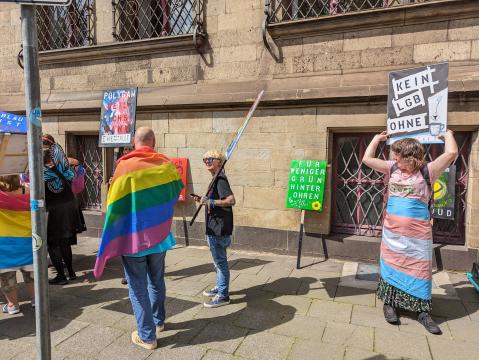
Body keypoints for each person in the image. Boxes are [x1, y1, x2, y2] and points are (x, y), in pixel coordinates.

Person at [93, 127, 183, 350]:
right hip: (160, 236)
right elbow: (176, 191)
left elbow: (114, 202)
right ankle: (158, 322)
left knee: (137, 286)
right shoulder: (167, 165)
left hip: (134, 239)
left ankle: (147, 336)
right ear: (153, 141)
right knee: (157, 280)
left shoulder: (126, 166)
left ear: (135, 142)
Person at [362, 130, 458, 334]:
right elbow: (367, 159)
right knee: (390, 267)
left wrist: (448, 135)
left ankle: (422, 312)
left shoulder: (428, 171)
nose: (394, 157)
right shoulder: (392, 168)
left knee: (420, 271)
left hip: (418, 236)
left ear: (410, 157)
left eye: (398, 154)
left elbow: (451, 153)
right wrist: (377, 139)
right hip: (392, 234)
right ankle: (390, 304)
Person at [193, 150, 236, 308]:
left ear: (219, 161)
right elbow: (214, 200)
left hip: (219, 228)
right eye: (204, 159)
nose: (207, 161)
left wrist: (210, 202)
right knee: (218, 262)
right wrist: (204, 200)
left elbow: (231, 200)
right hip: (214, 226)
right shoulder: (215, 178)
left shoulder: (220, 179)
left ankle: (223, 295)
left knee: (221, 262)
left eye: (211, 159)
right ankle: (220, 286)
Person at [43, 135, 85, 285]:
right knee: (64, 242)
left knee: (52, 243)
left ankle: (61, 275)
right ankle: (71, 272)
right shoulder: (63, 165)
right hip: (69, 204)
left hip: (55, 208)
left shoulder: (40, 171)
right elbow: (72, 176)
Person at [0, 175, 35, 314]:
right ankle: (36, 300)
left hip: (5, 243)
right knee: (31, 273)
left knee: (7, 276)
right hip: (28, 239)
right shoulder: (30, 192)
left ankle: (12, 305)